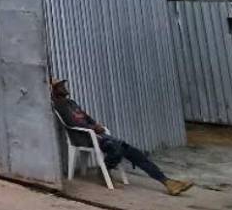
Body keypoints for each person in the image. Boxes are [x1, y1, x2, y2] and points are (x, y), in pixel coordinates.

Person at [52, 78, 193, 196]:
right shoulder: (60, 105)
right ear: (55, 91)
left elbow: (88, 118)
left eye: (63, 85)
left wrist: (96, 125)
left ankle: (166, 181)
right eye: (60, 86)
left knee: (132, 151)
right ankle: (103, 170)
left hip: (98, 137)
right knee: (118, 148)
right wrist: (92, 129)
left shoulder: (72, 103)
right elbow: (70, 123)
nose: (64, 87)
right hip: (84, 138)